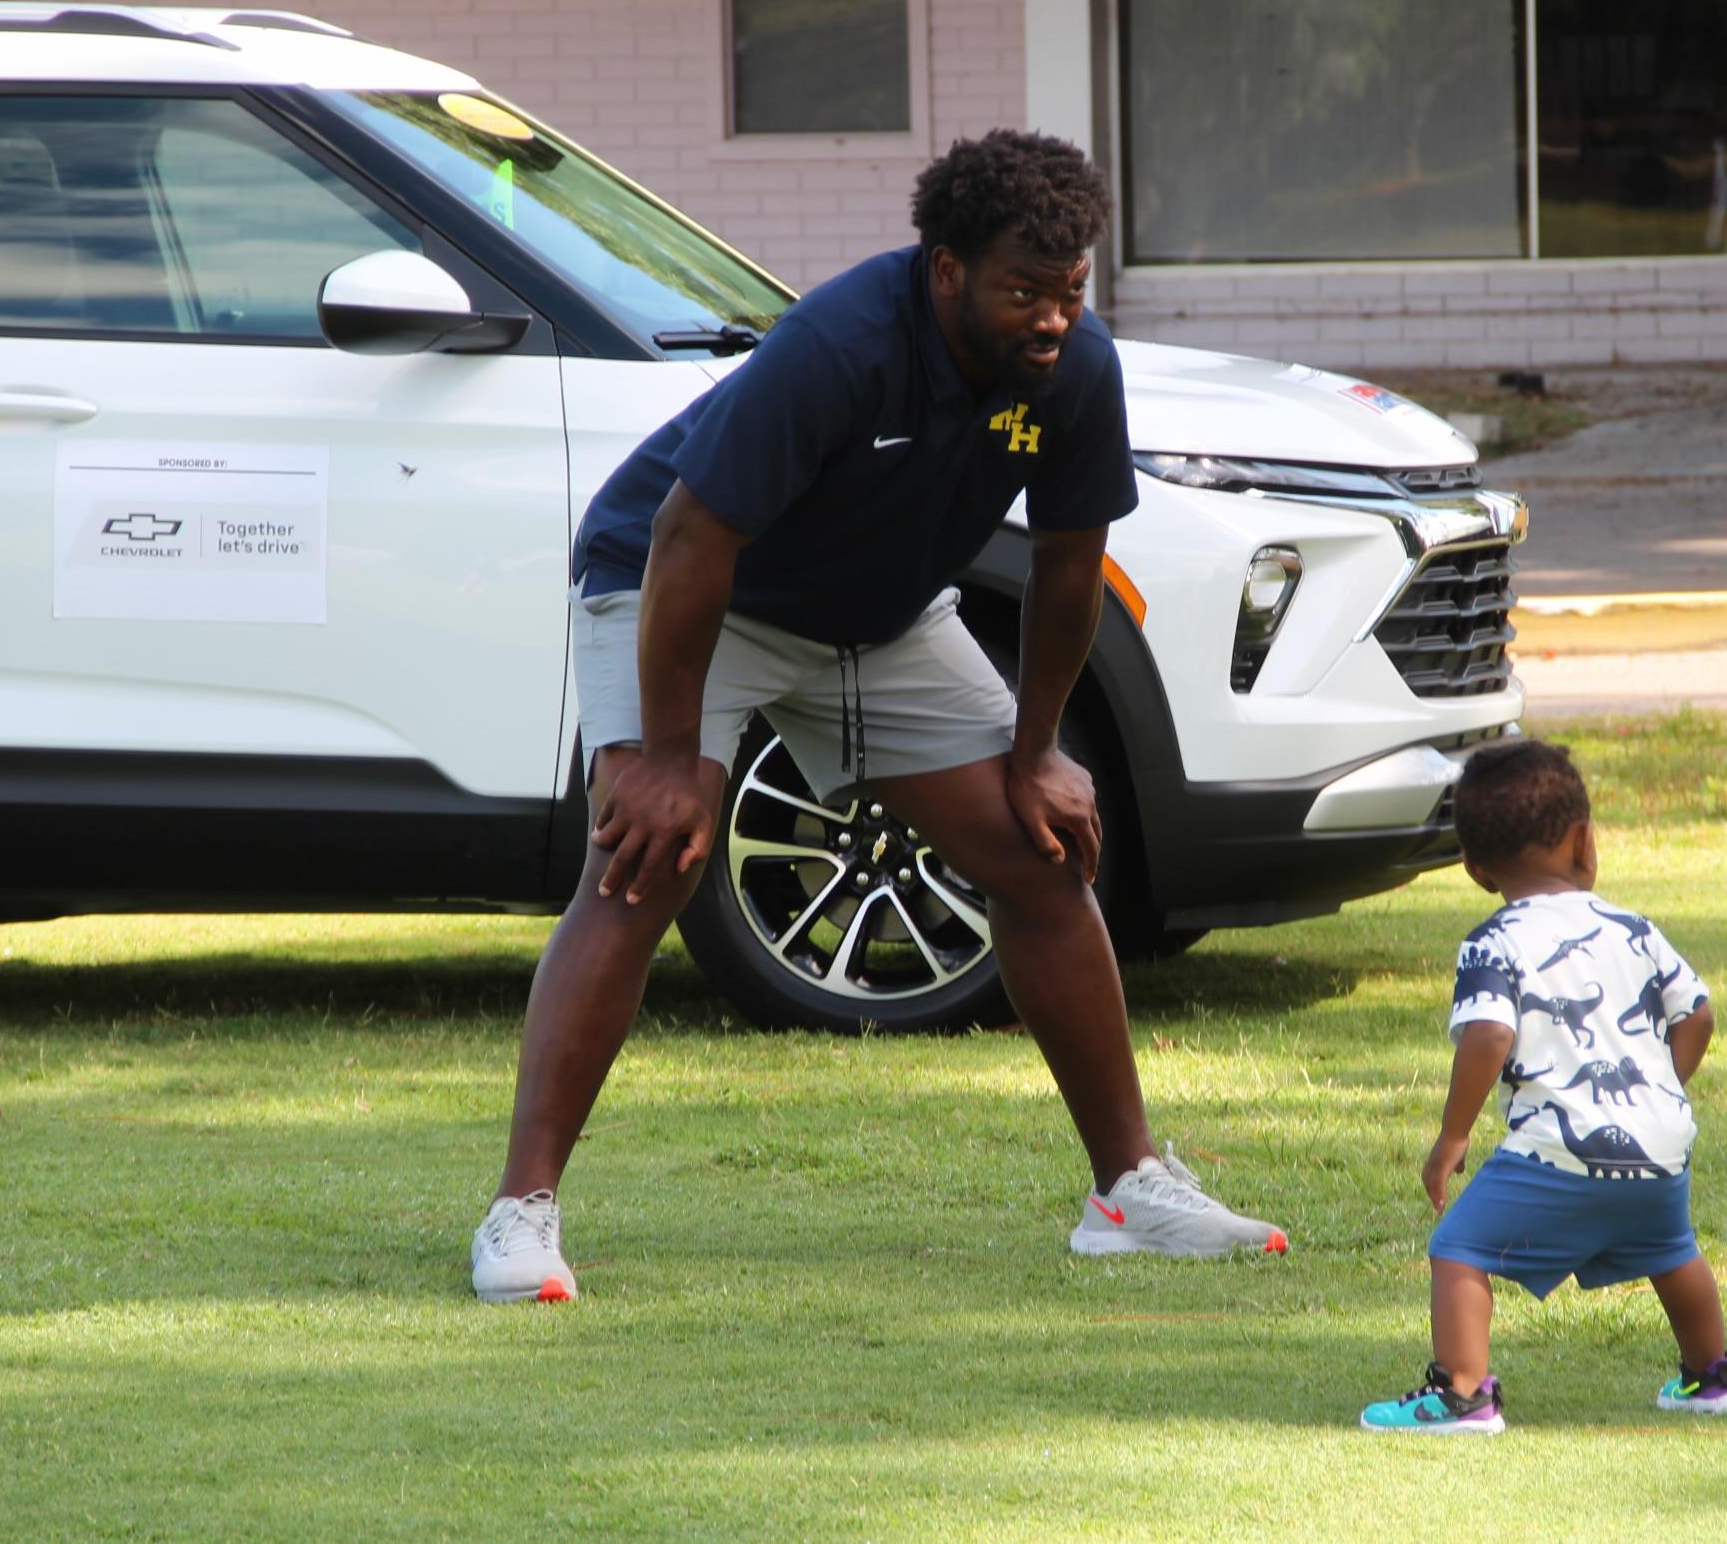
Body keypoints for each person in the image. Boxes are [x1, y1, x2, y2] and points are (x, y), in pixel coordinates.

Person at [468, 130, 1287, 1302]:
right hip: (701, 594)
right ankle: (521, 1212)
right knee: (647, 860)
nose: (1054, 318)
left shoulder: (1076, 369)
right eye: (1024, 290)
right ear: (945, 269)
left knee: (1041, 859)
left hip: (883, 619)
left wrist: (1039, 749)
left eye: (1072, 289)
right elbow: (690, 539)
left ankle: (1128, 1193)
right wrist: (659, 757)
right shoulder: (842, 343)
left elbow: (1071, 565)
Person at [1358, 739, 1727, 1432]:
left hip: (1556, 1151)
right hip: (1659, 1147)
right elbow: (1700, 1015)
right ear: (1584, 841)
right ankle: (1712, 1377)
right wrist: (1661, 1089)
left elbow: (1489, 1034)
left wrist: (1452, 1135)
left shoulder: (1493, 941)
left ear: (1476, 870)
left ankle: (1464, 1393)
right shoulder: (1634, 929)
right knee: (1671, 1250)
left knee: (1459, 1247)